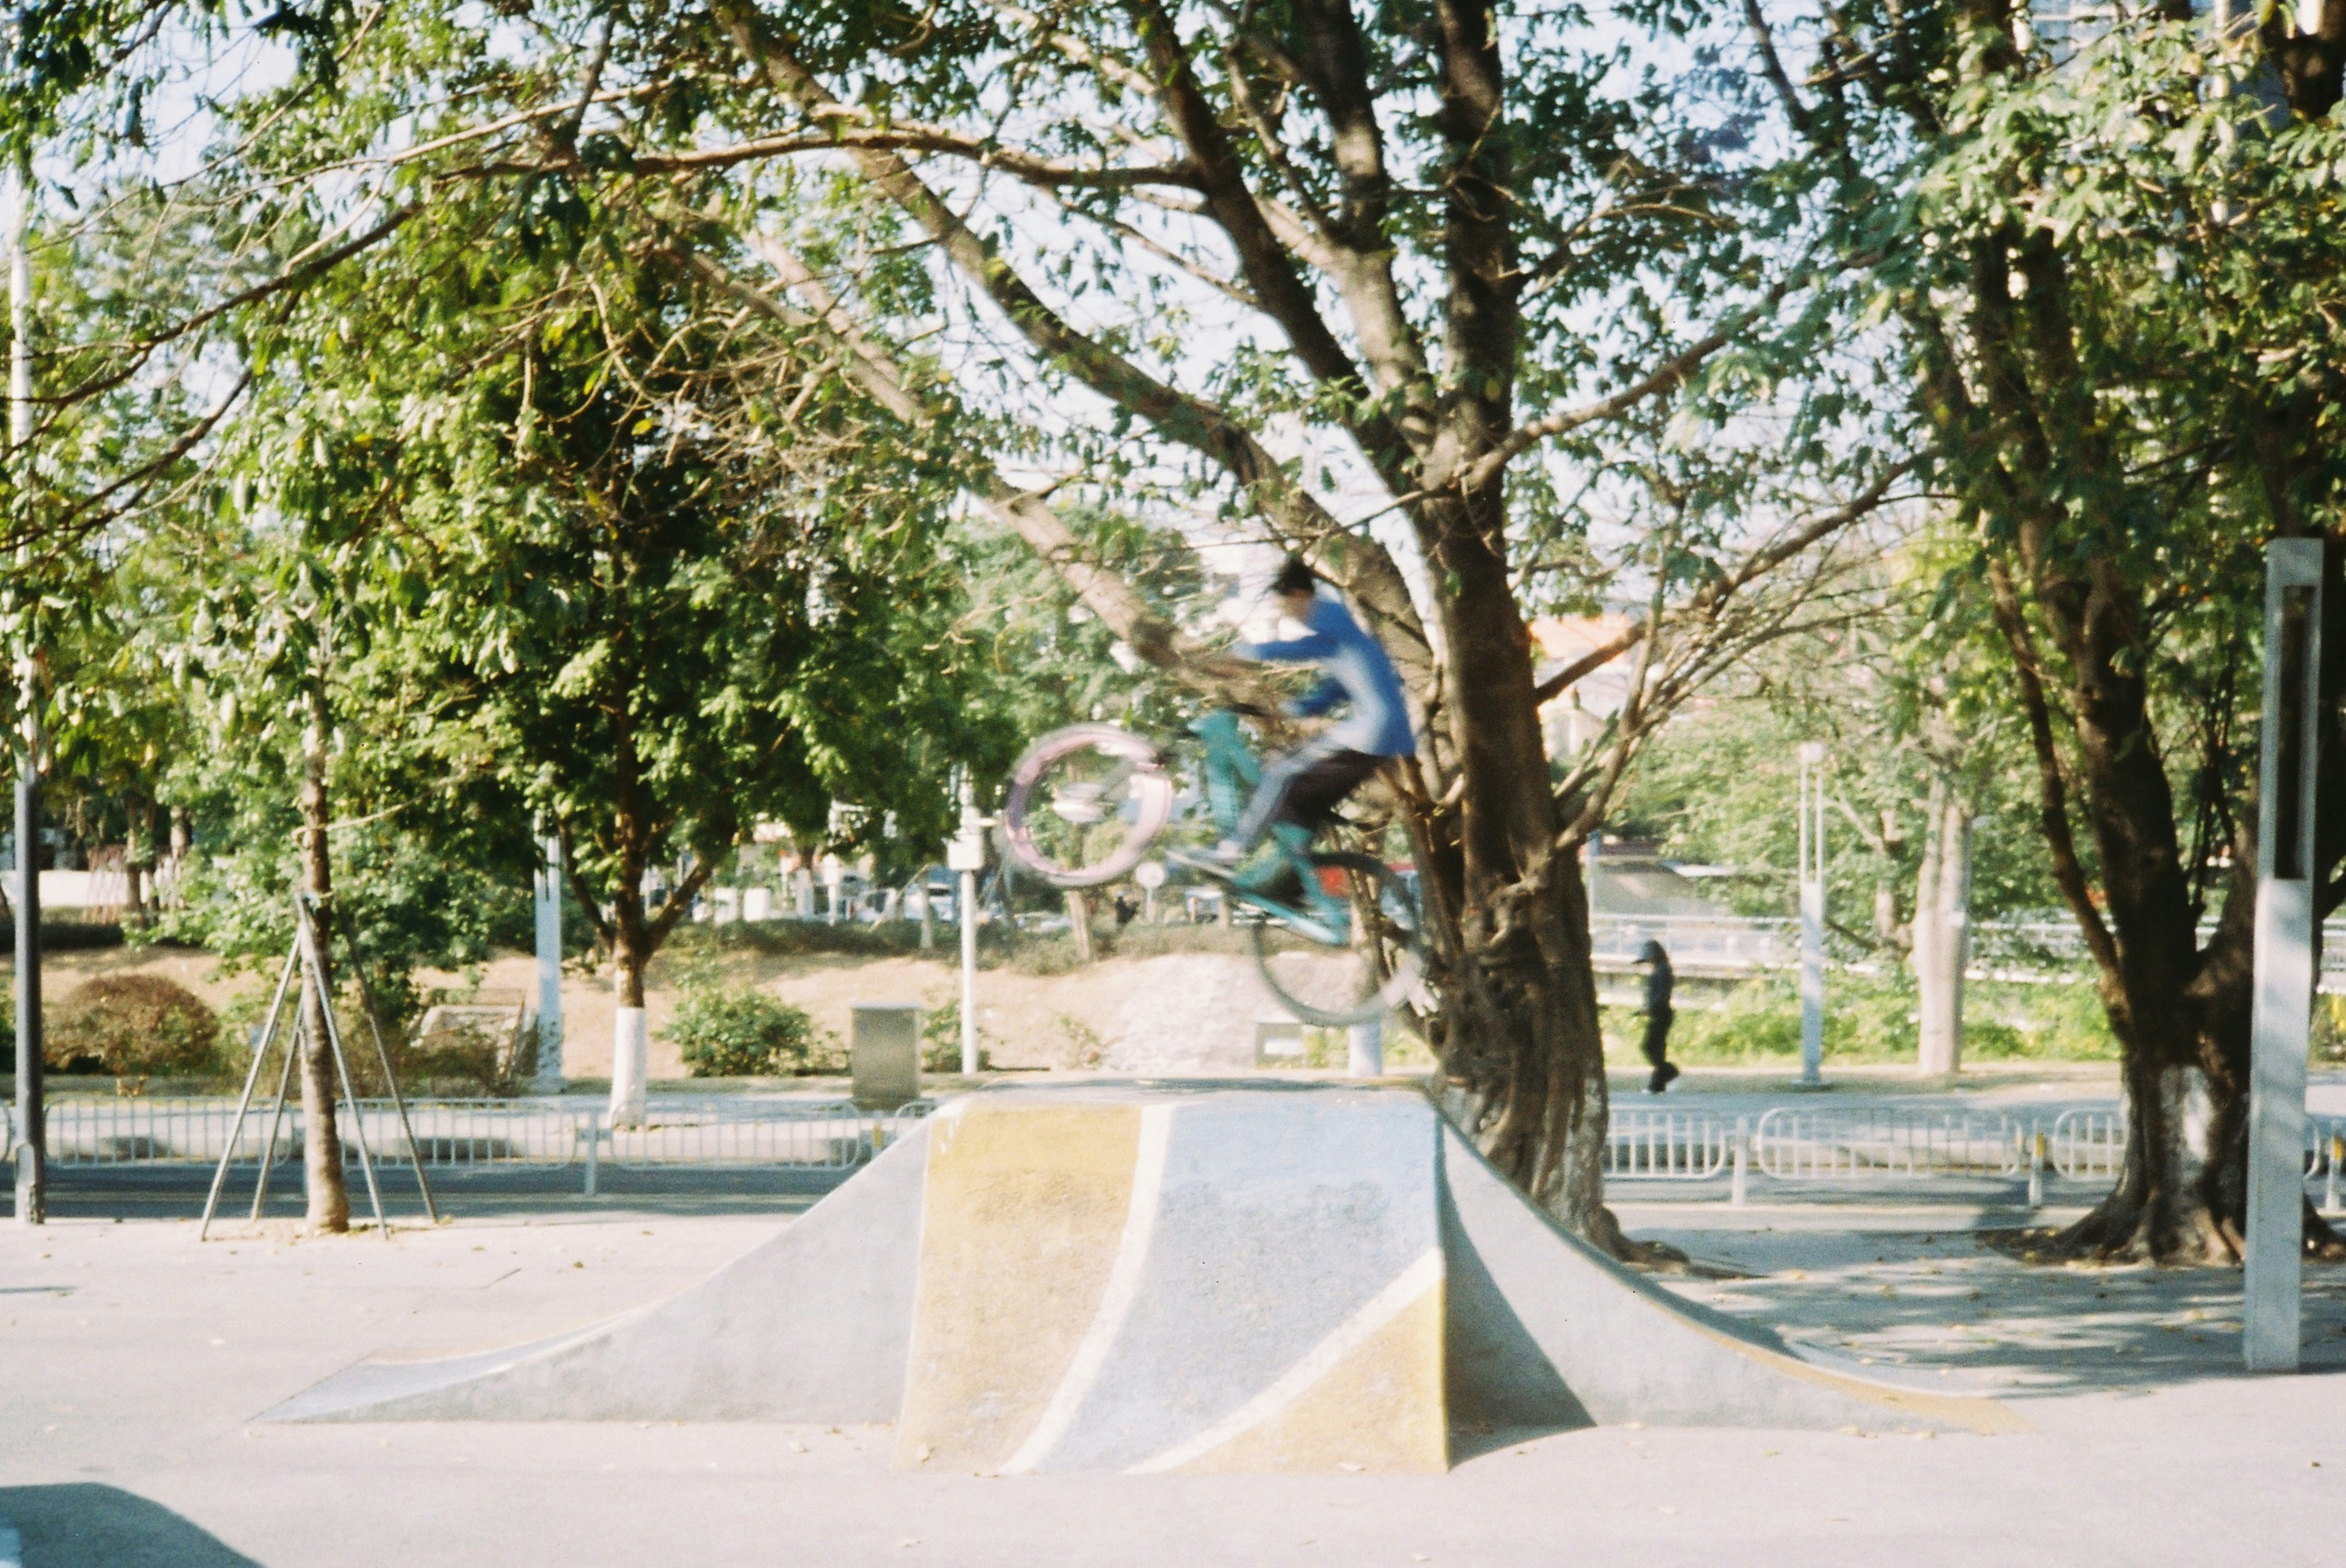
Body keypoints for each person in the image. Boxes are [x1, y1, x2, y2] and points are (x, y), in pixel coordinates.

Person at [1213, 557, 1415, 893]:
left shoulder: (1329, 615)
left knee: (1281, 773)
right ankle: (1292, 880)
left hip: (1371, 731)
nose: (1288, 615)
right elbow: (1335, 690)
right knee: (1301, 802)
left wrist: (1246, 653)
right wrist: (1292, 709)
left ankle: (1229, 852)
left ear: (1298, 595)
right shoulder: (1344, 631)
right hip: (1386, 737)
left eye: (1285, 606)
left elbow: (1305, 648)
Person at [1635, 939, 1680, 1093]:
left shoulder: (1664, 970)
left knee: (1650, 1046)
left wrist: (1651, 1008)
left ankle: (1667, 1074)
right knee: (1654, 1048)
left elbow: (1663, 995)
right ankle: (1662, 1079)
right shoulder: (1661, 969)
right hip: (1659, 1014)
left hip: (1663, 1014)